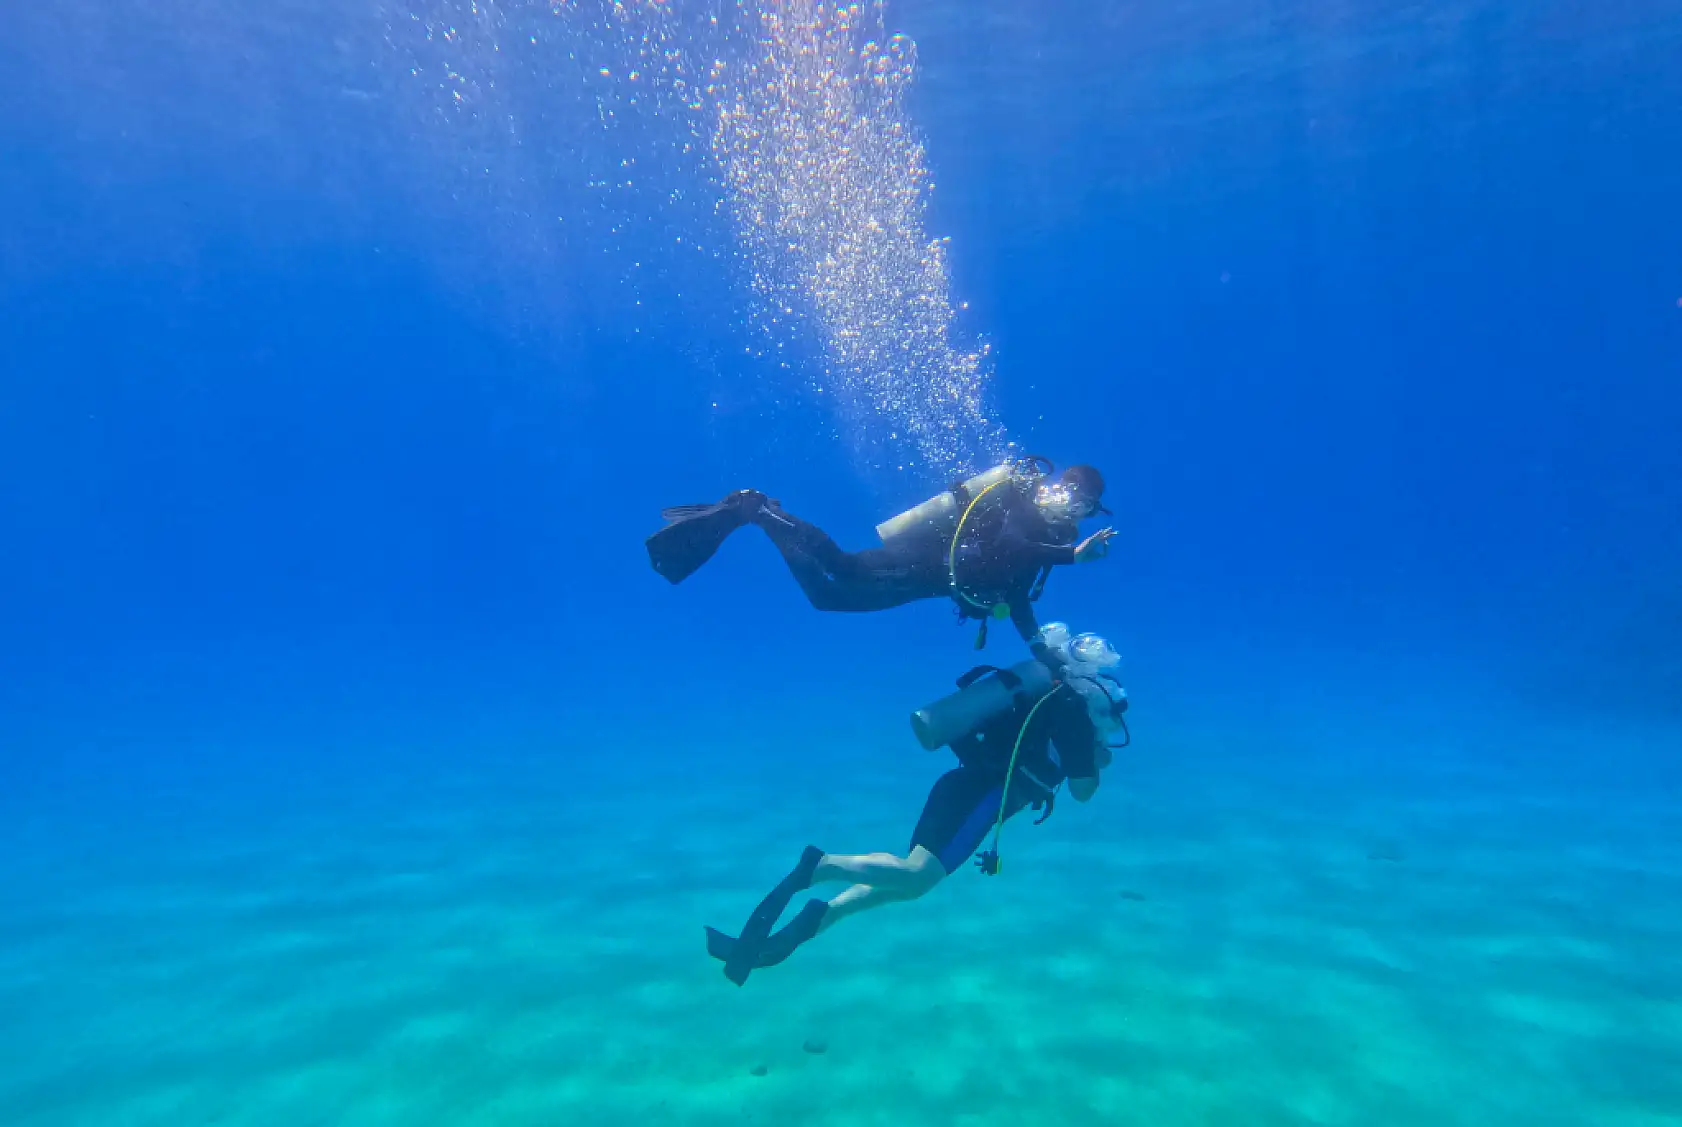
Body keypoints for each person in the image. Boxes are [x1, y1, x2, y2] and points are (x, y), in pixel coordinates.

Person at [705, 625, 1129, 985]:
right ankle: (821, 867)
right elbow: (1082, 791)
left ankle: (819, 918)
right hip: (982, 797)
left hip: (965, 788)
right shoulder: (1073, 720)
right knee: (915, 875)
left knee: (915, 882)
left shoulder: (1050, 704)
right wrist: (1094, 756)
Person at [646, 458, 1118, 668]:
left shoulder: (1049, 541)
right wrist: (1072, 556)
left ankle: (766, 515)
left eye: (1087, 508)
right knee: (843, 567)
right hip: (926, 561)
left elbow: (1016, 594)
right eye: (1074, 497)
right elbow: (1010, 546)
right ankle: (756, 510)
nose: (1075, 511)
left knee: (827, 598)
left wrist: (1043, 653)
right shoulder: (1023, 506)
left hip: (932, 581)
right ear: (1057, 488)